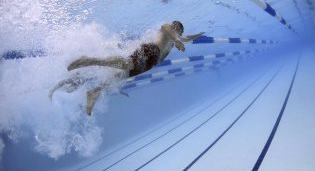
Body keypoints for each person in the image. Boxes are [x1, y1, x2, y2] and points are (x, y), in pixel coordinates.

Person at [49, 21, 204, 116]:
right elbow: (170, 32)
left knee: (121, 75)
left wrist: (198, 34)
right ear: (175, 26)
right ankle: (89, 60)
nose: (179, 33)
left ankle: (94, 91)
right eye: (178, 30)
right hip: (151, 50)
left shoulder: (176, 38)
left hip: (150, 63)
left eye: (180, 33)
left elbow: (187, 38)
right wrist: (177, 39)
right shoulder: (168, 27)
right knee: (125, 64)